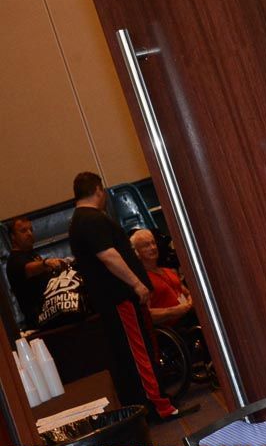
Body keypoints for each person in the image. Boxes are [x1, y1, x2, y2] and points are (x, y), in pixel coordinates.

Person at [68, 172, 198, 422]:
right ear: (98, 190)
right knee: (139, 353)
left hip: (115, 299)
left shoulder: (79, 221)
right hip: (119, 298)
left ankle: (151, 404)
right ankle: (158, 406)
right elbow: (109, 256)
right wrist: (137, 284)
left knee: (137, 352)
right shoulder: (91, 219)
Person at [4, 217, 67, 329]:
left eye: (31, 230)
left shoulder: (32, 254)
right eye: (23, 231)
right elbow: (29, 268)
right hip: (40, 322)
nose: (29, 234)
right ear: (13, 236)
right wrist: (46, 263)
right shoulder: (14, 261)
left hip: (53, 314)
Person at [130, 229, 193, 325]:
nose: (152, 247)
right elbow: (146, 315)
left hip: (190, 319)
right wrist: (174, 311)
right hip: (172, 329)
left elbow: (188, 293)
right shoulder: (140, 281)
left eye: (153, 243)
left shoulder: (169, 271)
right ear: (137, 252)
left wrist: (188, 304)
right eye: (146, 245)